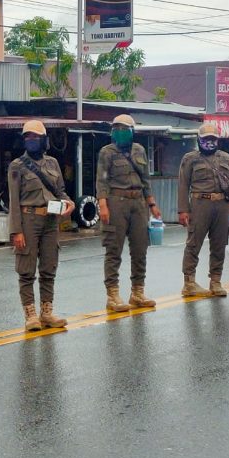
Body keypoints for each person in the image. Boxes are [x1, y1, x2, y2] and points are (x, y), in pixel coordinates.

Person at [8, 120, 75, 331]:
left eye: (35, 137)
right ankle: (30, 315)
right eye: (27, 137)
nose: (31, 141)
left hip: (51, 219)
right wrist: (16, 230)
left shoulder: (53, 164)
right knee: (26, 269)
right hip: (28, 219)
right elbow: (13, 200)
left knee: (49, 267)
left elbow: (60, 191)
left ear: (44, 140)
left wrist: (69, 202)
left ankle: (47, 313)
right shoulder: (17, 166)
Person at [96, 114, 161, 312]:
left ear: (132, 131)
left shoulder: (140, 150)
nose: (120, 133)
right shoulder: (107, 152)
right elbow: (102, 180)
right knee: (114, 250)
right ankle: (113, 295)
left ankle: (138, 292)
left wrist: (152, 203)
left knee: (140, 249)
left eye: (124, 129)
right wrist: (103, 205)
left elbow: (145, 180)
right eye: (117, 129)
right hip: (116, 202)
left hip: (139, 203)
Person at [178, 122, 229, 297]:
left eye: (213, 139)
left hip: (222, 205)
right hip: (200, 204)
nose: (210, 142)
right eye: (206, 139)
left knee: (219, 244)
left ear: (218, 140)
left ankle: (215, 281)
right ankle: (189, 283)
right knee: (193, 243)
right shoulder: (190, 158)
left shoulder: (225, 158)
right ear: (199, 140)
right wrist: (183, 210)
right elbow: (183, 185)